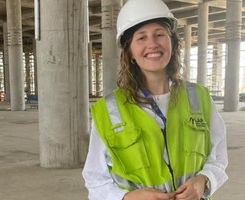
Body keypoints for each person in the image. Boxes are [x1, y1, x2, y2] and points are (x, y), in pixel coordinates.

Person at [82, 0, 228, 199]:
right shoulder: (108, 110)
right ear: (130, 52)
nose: (152, 43)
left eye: (159, 34)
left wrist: (204, 179)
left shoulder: (200, 98)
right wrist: (128, 198)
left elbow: (218, 156)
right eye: (141, 38)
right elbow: (95, 180)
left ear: (172, 43)